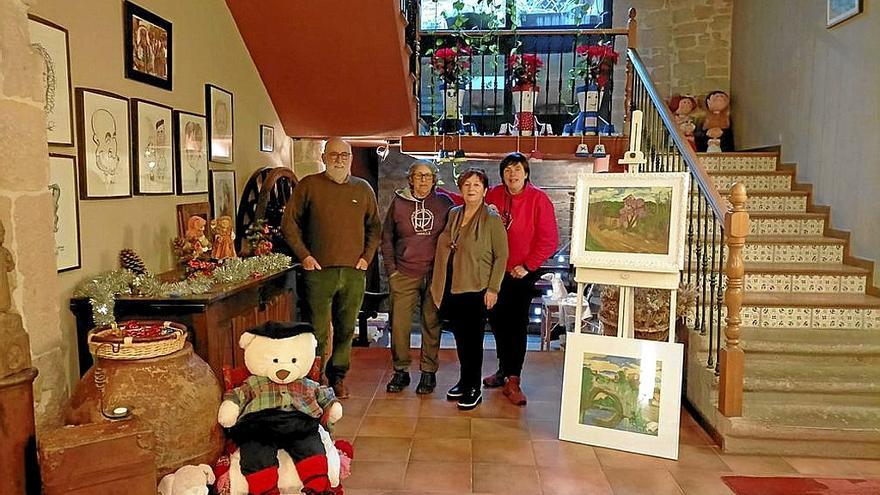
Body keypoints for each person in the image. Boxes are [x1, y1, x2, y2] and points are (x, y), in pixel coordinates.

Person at [281, 138, 382, 399]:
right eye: (334, 154)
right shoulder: (309, 186)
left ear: (351, 158)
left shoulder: (363, 189)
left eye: (344, 155)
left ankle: (337, 377)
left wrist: (366, 258)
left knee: (347, 327)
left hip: (353, 272)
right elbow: (289, 224)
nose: (339, 159)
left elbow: (375, 227)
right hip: (318, 271)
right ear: (324, 157)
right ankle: (314, 378)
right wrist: (304, 256)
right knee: (317, 329)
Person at [483, 152, 558, 406]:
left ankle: (514, 378)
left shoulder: (539, 199)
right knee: (497, 323)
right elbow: (468, 204)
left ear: (526, 173)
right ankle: (503, 370)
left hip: (521, 273)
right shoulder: (493, 195)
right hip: (494, 272)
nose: (512, 174)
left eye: (516, 169)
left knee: (516, 326)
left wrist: (527, 266)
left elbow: (549, 240)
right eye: (507, 170)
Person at [431, 168, 508, 410]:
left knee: (473, 341)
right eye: (467, 184)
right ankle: (464, 381)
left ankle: (474, 387)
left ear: (485, 190)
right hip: (452, 285)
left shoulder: (492, 218)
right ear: (461, 189)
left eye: (476, 185)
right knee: (461, 340)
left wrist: (493, 289)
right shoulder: (454, 214)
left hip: (477, 287)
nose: (471, 188)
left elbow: (501, 256)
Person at [381, 161, 454, 395]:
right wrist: (392, 270)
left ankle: (428, 372)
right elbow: (387, 238)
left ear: (435, 179)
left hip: (434, 274)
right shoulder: (399, 203)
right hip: (403, 273)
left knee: (431, 324)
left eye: (428, 175)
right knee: (399, 325)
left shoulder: (445, 203)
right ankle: (401, 370)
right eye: (418, 175)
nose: (423, 180)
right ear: (410, 179)